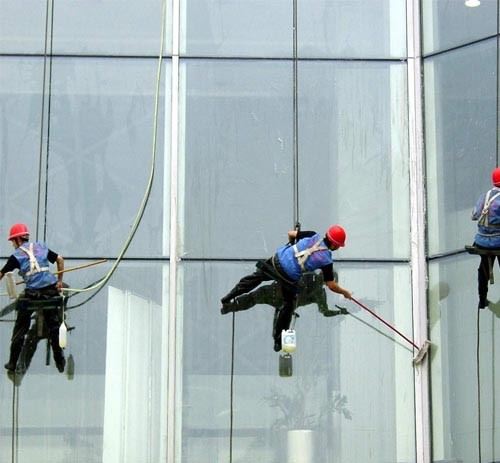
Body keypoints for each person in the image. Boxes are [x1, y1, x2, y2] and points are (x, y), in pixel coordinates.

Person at [220, 225, 352, 351]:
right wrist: (345, 292)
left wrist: (292, 245)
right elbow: (331, 285)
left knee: (255, 278)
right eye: (339, 246)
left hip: (277, 260)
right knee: (288, 306)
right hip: (287, 276)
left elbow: (291, 234)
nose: (338, 248)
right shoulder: (327, 260)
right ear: (335, 244)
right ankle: (278, 341)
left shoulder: (313, 235)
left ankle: (228, 297)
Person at [0, 223, 66, 373]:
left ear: (18, 239)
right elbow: (60, 260)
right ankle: (60, 361)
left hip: (32, 295)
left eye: (12, 241)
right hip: (50, 292)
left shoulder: (16, 256)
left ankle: (12, 363)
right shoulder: (40, 247)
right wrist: (60, 281)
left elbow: (1, 273)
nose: (12, 245)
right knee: (54, 327)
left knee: (20, 328)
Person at [471, 167, 500, 309]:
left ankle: (482, 299)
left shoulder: (484, 196)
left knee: (483, 267)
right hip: (498, 242)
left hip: (482, 241)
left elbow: (474, 215)